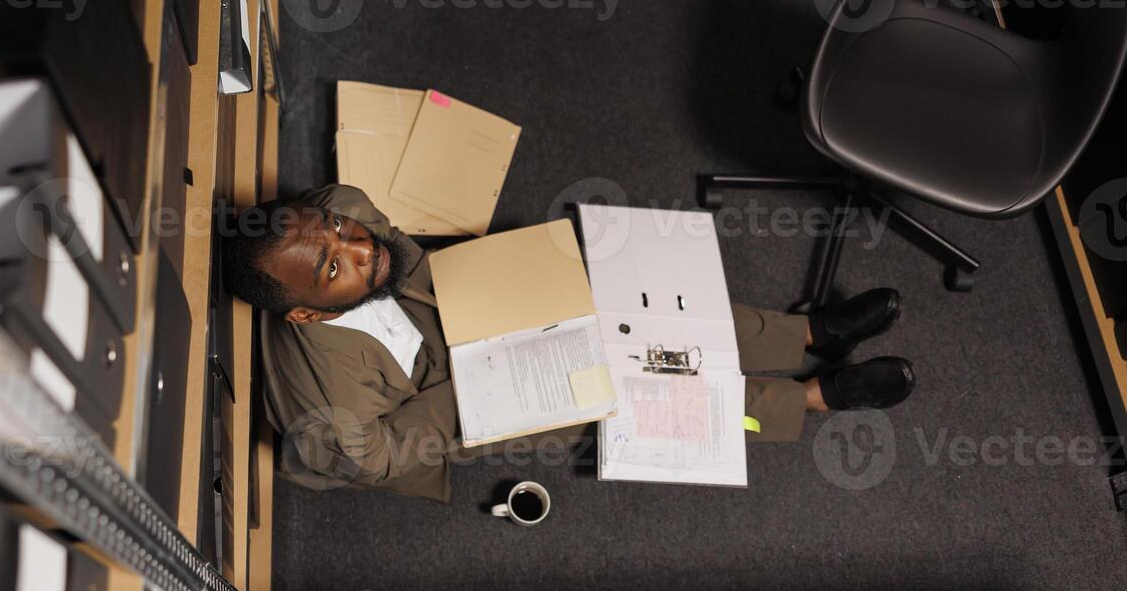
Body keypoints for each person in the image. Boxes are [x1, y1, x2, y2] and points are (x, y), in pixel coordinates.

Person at [222, 184, 914, 501]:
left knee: (635, 309)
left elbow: (363, 216)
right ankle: (813, 399)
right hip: (450, 403)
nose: (353, 245)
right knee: (639, 402)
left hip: (461, 304)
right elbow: (372, 461)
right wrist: (478, 385)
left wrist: (387, 261)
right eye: (333, 266)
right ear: (307, 317)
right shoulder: (323, 407)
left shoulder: (327, 221)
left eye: (336, 233)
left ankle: (808, 331)